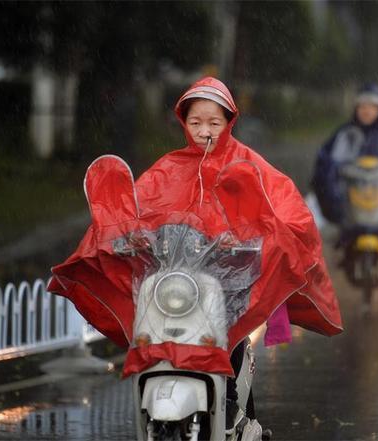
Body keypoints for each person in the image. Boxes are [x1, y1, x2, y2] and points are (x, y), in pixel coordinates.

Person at [48, 77, 343, 434]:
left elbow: (291, 214)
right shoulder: (166, 170)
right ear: (183, 123)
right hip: (176, 287)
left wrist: (272, 237)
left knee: (229, 335)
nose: (205, 131)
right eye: (196, 122)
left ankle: (231, 398)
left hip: (228, 293)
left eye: (214, 123)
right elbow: (135, 212)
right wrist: (125, 238)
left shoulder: (252, 166)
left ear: (229, 121)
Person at [311, 82, 378, 245]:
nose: (367, 111)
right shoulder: (345, 134)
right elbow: (326, 160)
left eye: (372, 106)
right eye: (362, 106)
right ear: (356, 108)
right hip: (351, 199)